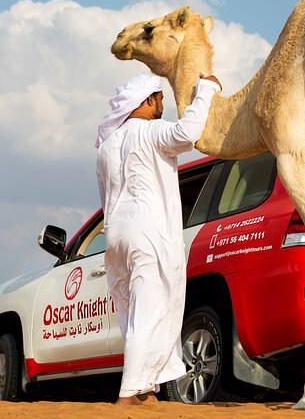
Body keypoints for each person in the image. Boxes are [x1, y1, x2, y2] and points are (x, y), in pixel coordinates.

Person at [95, 73, 222, 405]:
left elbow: (103, 194)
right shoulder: (150, 132)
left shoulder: (106, 146)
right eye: (160, 99)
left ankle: (146, 389)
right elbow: (187, 133)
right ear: (148, 101)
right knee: (149, 312)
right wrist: (206, 91)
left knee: (132, 313)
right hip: (147, 231)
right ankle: (126, 395)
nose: (163, 105)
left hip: (116, 235)